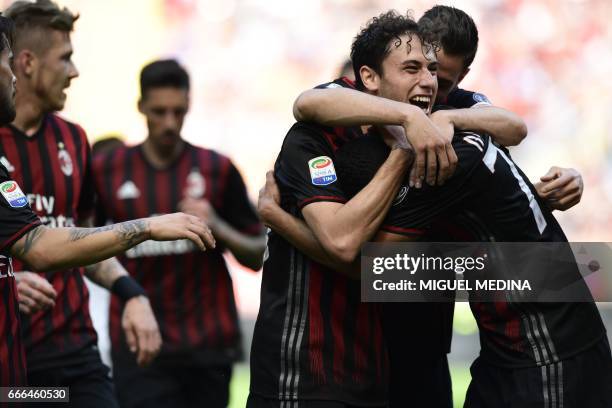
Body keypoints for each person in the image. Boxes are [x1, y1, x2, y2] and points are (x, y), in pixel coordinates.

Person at [284, 6, 583, 406]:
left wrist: (541, 192)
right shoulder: (345, 108)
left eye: (441, 78)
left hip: (424, 327)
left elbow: (514, 128)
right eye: (418, 70)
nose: (429, 87)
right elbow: (307, 104)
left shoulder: (455, 115)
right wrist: (409, 119)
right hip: (358, 333)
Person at [246, 11, 449, 408]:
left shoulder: (432, 135)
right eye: (411, 68)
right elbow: (341, 242)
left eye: (432, 70)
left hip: (375, 373)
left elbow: (376, 270)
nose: (428, 81)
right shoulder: (312, 141)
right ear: (367, 80)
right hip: (303, 374)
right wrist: (402, 152)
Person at [0, 14, 214, 388]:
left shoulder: (75, 140)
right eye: (65, 57)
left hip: (75, 350)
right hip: (18, 356)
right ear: (28, 62)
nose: (75, 71)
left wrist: (131, 293)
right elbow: (38, 246)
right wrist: (148, 227)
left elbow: (79, 235)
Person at [92, 59, 266, 408]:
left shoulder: (217, 168)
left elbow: (257, 254)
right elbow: (83, 248)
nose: (169, 123)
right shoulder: (106, 170)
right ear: (141, 107)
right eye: (159, 112)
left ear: (189, 104)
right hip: (140, 345)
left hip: (207, 347)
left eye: (178, 111)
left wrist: (216, 224)